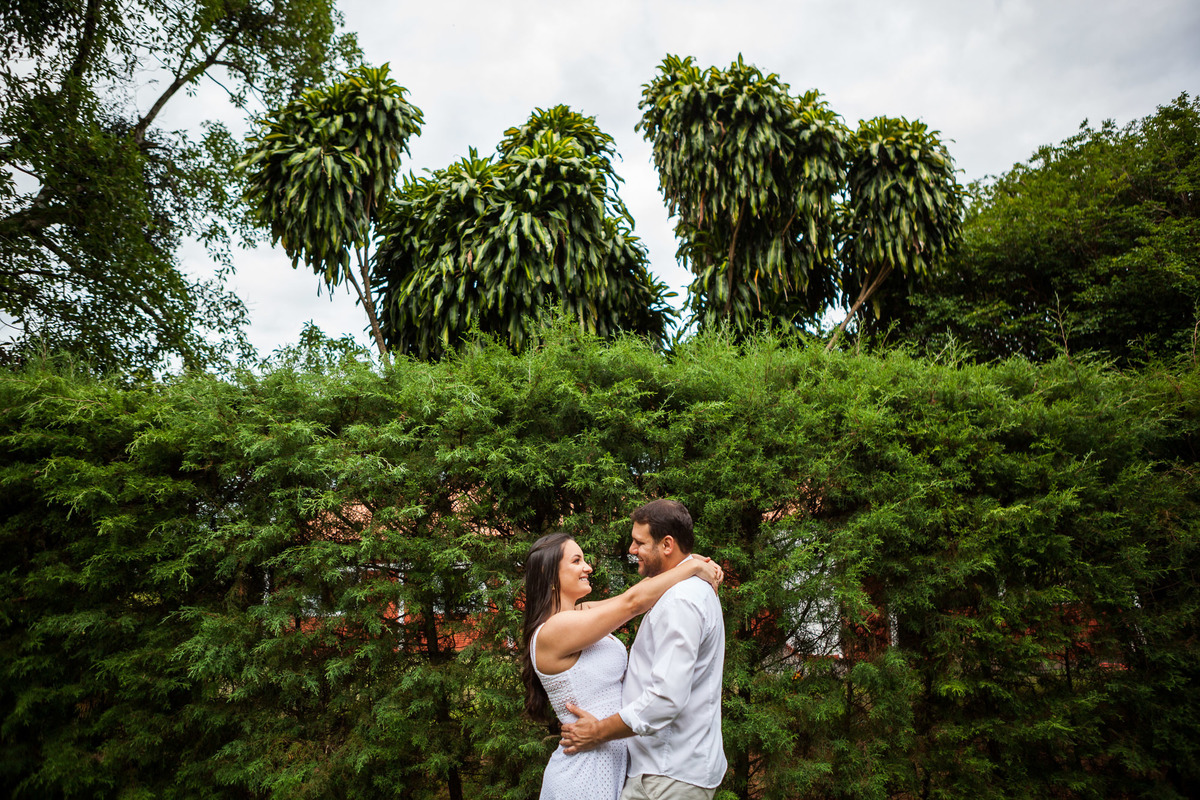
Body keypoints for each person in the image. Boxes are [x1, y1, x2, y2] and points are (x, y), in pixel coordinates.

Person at [522, 530, 723, 800]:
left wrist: (687, 561)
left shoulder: (579, 614)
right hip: (582, 772)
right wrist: (693, 567)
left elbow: (636, 594)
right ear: (548, 573)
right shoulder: (553, 630)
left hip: (610, 766)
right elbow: (633, 603)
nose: (588, 567)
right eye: (576, 561)